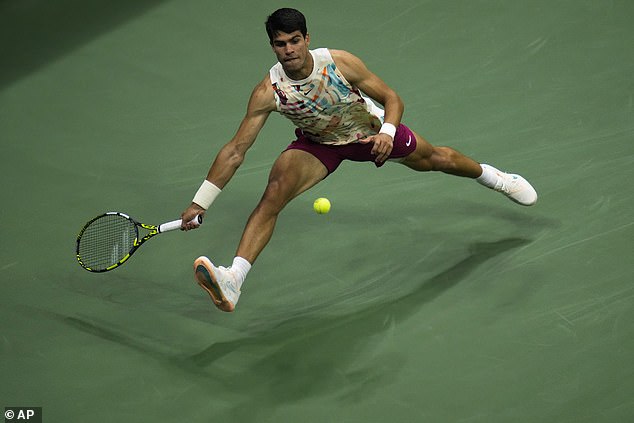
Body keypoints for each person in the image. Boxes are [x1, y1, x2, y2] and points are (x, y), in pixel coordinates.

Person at [180, 8, 537, 312]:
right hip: (319, 145)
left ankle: (494, 177)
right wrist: (201, 200)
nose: (288, 50)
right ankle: (234, 279)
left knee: (437, 159)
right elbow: (235, 150)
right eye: (279, 43)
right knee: (273, 193)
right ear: (271, 45)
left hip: (370, 134)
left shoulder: (339, 63)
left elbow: (392, 98)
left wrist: (388, 133)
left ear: (306, 38)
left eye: (294, 40)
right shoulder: (268, 92)